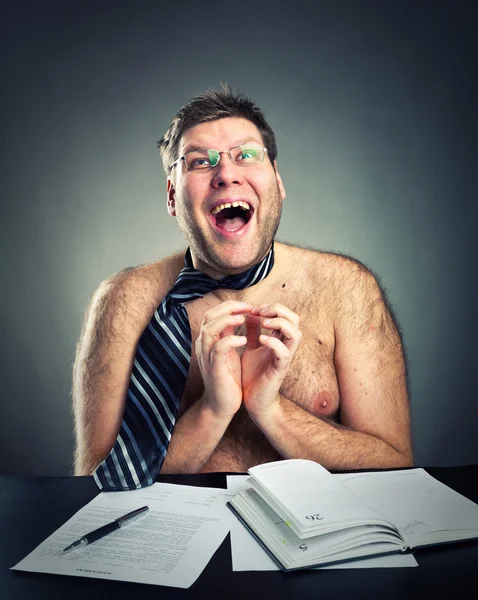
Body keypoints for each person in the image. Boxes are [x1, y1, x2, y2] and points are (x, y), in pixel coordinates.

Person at [73, 84, 413, 483]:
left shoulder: (348, 287)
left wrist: (270, 409)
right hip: (174, 538)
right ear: (171, 196)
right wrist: (213, 410)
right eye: (200, 162)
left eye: (247, 155)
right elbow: (92, 482)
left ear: (278, 184)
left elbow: (396, 464)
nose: (227, 174)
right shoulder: (123, 301)